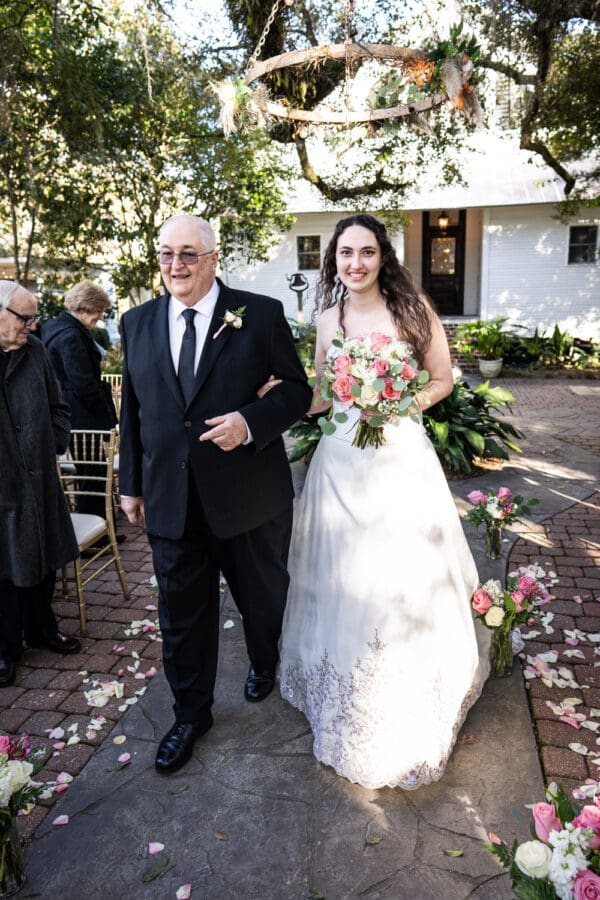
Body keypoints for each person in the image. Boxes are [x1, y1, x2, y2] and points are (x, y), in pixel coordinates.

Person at [278, 214, 490, 790]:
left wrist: (394, 401)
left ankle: (407, 690)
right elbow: (322, 394)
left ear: (383, 257)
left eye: (366, 252)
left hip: (399, 459)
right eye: (345, 253)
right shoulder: (329, 318)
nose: (355, 264)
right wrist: (280, 396)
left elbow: (442, 379)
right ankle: (346, 684)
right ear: (333, 261)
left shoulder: (413, 311)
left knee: (398, 576)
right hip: (340, 465)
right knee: (342, 577)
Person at [119, 213, 312, 775]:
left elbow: (297, 392)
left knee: (262, 597)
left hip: (249, 497)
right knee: (181, 617)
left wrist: (250, 422)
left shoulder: (259, 314)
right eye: (166, 254)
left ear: (212, 258)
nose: (175, 266)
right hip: (170, 500)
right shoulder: (137, 322)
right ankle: (190, 714)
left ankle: (264, 659)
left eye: (187, 254)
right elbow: (132, 409)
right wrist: (131, 482)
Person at [0, 281, 81, 688]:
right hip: (3, 482)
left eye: (34, 318)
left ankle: (42, 629)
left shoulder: (35, 352)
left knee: (45, 557)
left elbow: (58, 403)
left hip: (40, 474)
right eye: (24, 318)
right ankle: (5, 647)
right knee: (5, 567)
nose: (32, 326)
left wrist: (54, 441)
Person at [42, 280, 119, 523]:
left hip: (71, 413)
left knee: (90, 472)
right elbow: (83, 382)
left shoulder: (55, 326)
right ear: (85, 307)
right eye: (98, 310)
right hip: (84, 416)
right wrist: (105, 413)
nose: (100, 316)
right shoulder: (71, 335)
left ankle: (99, 527)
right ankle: (96, 534)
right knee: (93, 473)